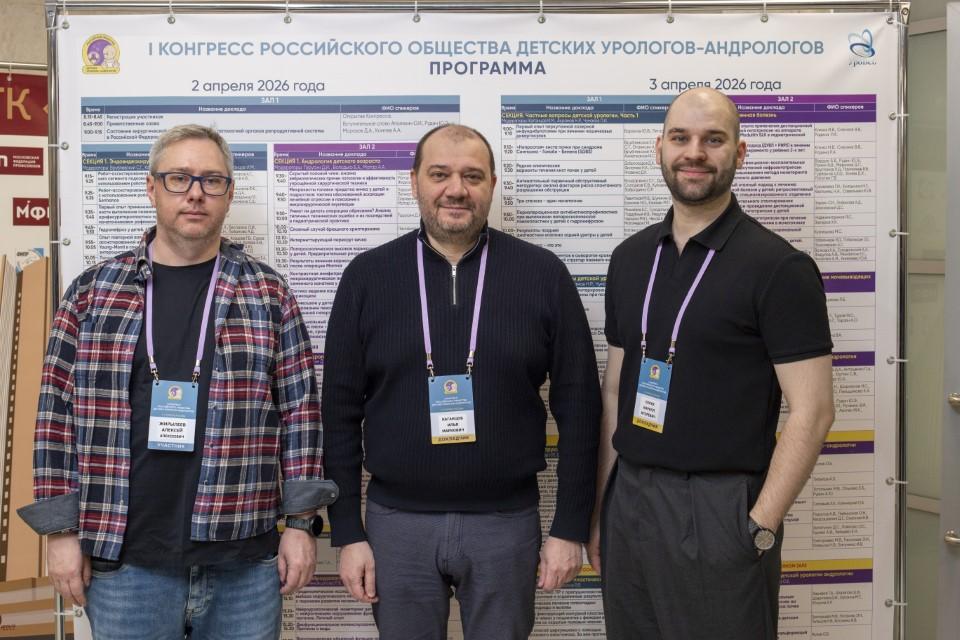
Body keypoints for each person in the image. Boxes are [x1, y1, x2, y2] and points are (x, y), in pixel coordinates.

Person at [18, 124, 337, 639]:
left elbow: (301, 413)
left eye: (212, 180)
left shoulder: (268, 294)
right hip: (125, 566)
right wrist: (59, 532)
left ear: (228, 193)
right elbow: (55, 417)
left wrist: (301, 525)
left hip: (243, 563)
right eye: (179, 178)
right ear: (152, 188)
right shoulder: (92, 294)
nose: (195, 193)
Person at [322, 123, 601, 640]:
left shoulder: (543, 275)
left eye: (472, 176)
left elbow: (580, 407)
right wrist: (347, 531)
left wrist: (569, 527)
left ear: (492, 184)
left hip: (506, 524)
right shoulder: (367, 276)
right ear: (414, 182)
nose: (456, 189)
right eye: (440, 174)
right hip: (396, 525)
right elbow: (338, 412)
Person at [588, 87, 835, 639]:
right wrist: (605, 506)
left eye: (713, 139)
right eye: (680, 137)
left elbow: (814, 410)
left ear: (739, 153)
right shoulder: (630, 259)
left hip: (719, 505)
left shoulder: (779, 267)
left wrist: (760, 525)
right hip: (631, 499)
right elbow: (616, 391)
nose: (694, 152)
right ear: (659, 148)